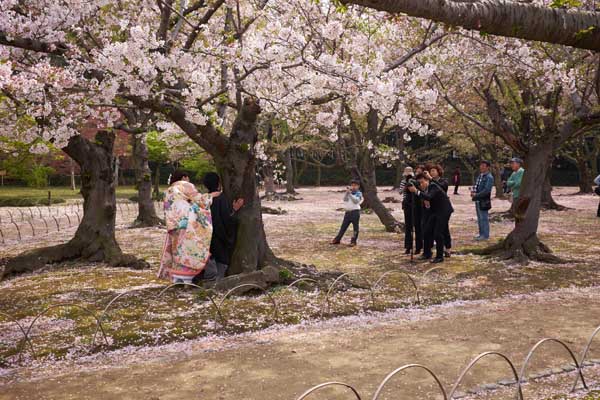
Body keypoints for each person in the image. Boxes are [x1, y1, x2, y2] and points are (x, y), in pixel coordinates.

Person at [158, 170, 220, 284]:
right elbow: (200, 200)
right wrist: (211, 195)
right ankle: (188, 275)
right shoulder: (185, 185)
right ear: (184, 177)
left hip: (173, 224)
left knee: (178, 251)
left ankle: (178, 276)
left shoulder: (168, 190)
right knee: (189, 249)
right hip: (186, 222)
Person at [202, 172, 245, 280]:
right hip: (219, 238)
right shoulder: (220, 198)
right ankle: (217, 284)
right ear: (218, 183)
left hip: (206, 238)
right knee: (221, 265)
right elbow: (226, 219)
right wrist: (235, 210)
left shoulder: (204, 199)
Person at [408, 173, 454, 263]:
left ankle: (440, 256)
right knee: (427, 231)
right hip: (434, 211)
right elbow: (427, 202)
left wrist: (416, 191)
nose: (421, 185)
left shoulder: (433, 186)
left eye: (422, 182)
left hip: (444, 211)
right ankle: (427, 253)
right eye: (419, 183)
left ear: (427, 180)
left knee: (438, 233)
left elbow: (429, 197)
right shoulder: (424, 190)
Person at [426, 164, 452, 257]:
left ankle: (448, 248)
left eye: (433, 171)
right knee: (437, 229)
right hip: (435, 209)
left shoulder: (444, 181)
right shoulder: (430, 183)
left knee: (444, 229)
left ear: (438, 172)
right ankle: (436, 248)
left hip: (443, 209)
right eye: (430, 171)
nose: (432, 173)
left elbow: (441, 188)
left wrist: (431, 179)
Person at [331, 179, 363, 247]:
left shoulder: (359, 193)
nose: (353, 187)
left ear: (358, 186)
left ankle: (353, 241)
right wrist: (347, 193)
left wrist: (350, 194)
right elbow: (345, 200)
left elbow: (356, 201)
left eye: (355, 185)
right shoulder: (349, 192)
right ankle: (337, 239)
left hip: (355, 212)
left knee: (355, 227)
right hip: (348, 212)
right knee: (343, 227)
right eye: (352, 185)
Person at [399, 166, 423, 255]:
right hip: (407, 204)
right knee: (408, 226)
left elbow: (419, 190)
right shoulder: (403, 181)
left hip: (416, 204)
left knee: (417, 226)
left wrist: (412, 184)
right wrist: (406, 186)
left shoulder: (415, 181)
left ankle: (419, 247)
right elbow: (400, 192)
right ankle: (408, 247)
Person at [471, 160, 494, 241]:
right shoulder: (480, 175)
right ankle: (481, 234)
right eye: (481, 165)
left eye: (483, 165)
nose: (481, 167)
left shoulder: (489, 177)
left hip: (484, 200)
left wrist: (476, 195)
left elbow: (487, 190)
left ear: (488, 167)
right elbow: (476, 185)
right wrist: (473, 191)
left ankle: (485, 235)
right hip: (477, 200)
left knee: (484, 218)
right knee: (479, 218)